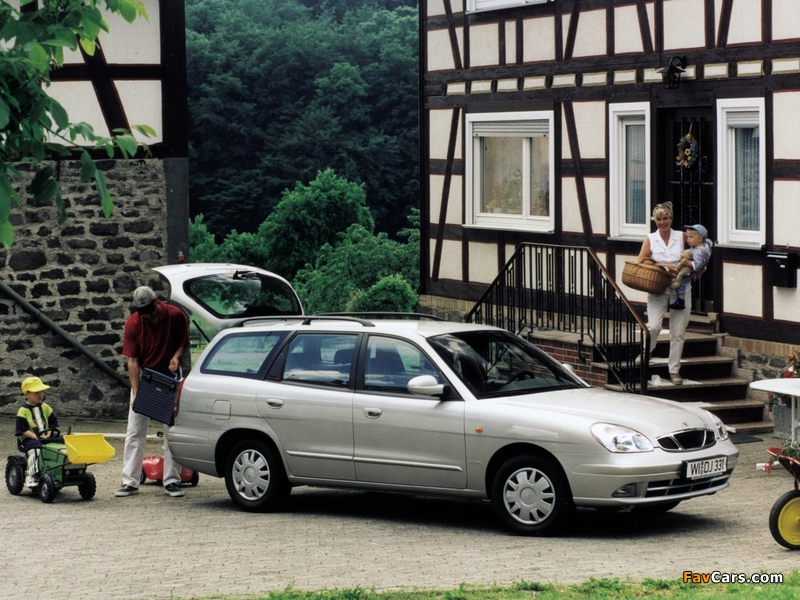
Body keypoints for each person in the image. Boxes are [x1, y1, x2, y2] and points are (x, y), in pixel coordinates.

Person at [117, 286, 190, 498]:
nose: (150, 317)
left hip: (169, 376)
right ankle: (130, 482)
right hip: (145, 376)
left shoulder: (175, 315)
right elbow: (132, 361)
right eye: (145, 315)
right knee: (135, 430)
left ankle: (172, 480)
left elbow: (183, 343)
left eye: (151, 312)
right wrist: (137, 393)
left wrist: (176, 357)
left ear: (157, 301)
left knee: (171, 430)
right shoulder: (133, 323)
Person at [635, 202, 692, 386]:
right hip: (658, 288)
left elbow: (701, 248)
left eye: (665, 218)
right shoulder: (651, 239)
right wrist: (663, 265)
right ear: (655, 220)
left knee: (678, 332)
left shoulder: (682, 236)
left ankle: (674, 371)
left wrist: (695, 267)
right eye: (659, 219)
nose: (662, 222)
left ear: (671, 218)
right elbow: (642, 260)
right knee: (653, 326)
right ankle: (646, 351)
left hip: (681, 289)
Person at [15, 377, 60, 487]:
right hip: (29, 438)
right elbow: (22, 430)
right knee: (36, 449)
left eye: (41, 391)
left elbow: (53, 423)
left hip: (46, 436)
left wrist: (49, 434)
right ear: (27, 394)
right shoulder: (22, 411)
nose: (40, 394)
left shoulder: (46, 408)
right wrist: (36, 437)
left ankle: (62, 469)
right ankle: (31, 475)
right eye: (36, 392)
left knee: (64, 441)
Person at [669, 224, 712, 311]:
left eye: (691, 237)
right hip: (687, 268)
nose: (688, 239)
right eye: (688, 237)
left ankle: (681, 300)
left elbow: (698, 265)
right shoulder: (696, 247)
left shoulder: (701, 252)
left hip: (691, 272)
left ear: (699, 239)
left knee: (682, 281)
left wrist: (688, 263)